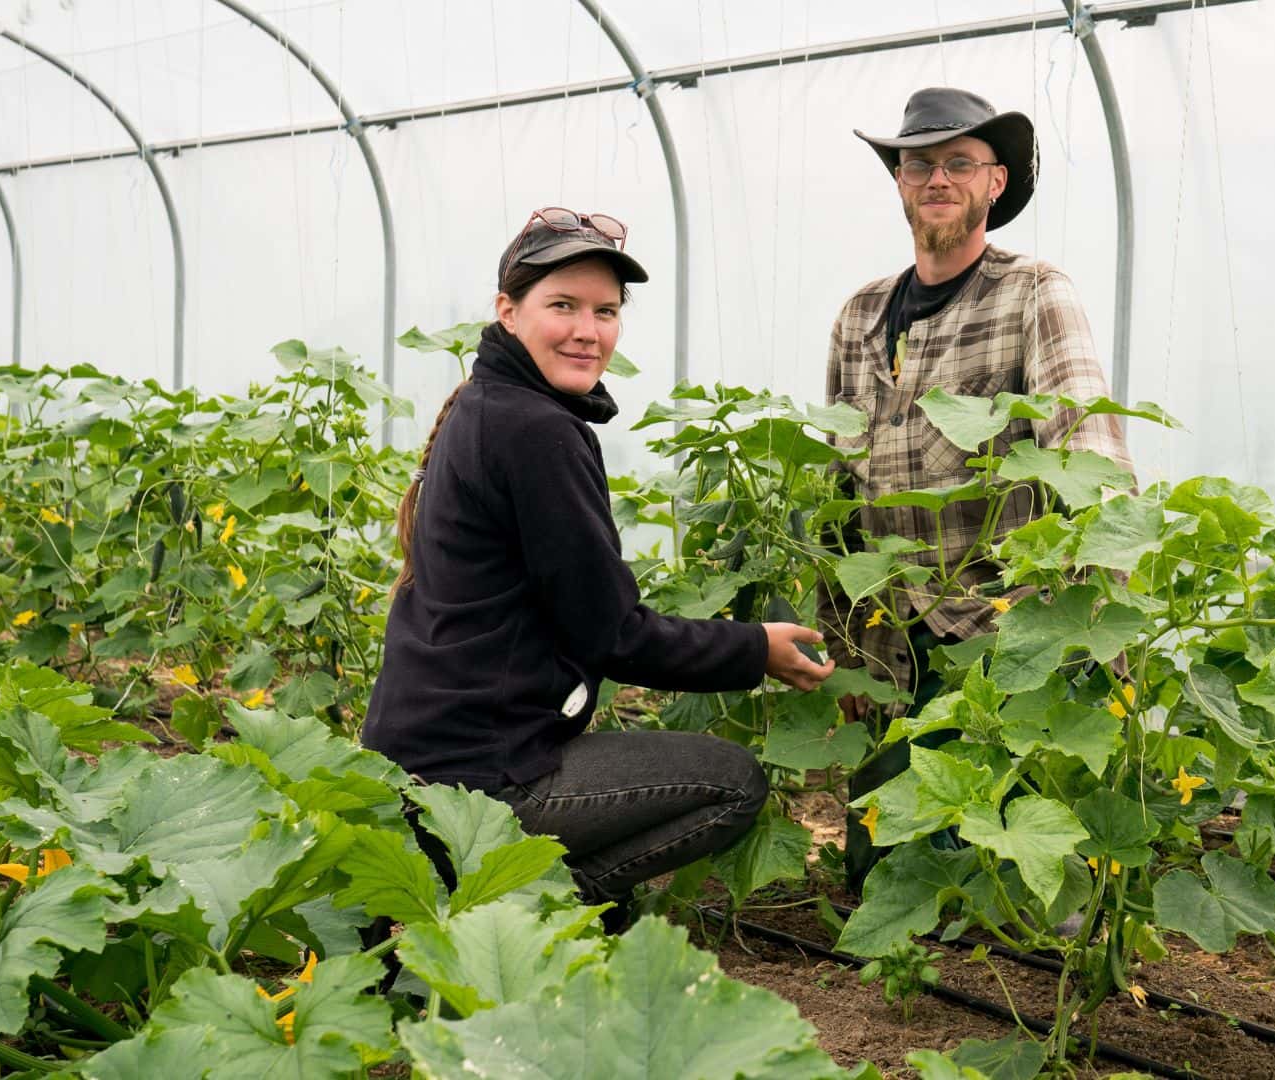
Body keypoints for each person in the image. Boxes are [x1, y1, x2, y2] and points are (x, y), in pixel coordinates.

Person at [361, 208, 835, 925]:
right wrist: (754, 649)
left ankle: (504, 894)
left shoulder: (488, 406)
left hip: (421, 768)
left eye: (606, 311)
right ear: (508, 312)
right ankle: (523, 907)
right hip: (481, 784)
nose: (589, 329)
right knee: (732, 783)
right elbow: (612, 634)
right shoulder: (536, 429)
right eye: (563, 306)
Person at [820, 89, 1134, 893]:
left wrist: (1104, 633)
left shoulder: (1034, 292)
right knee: (884, 884)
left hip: (997, 637)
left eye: (960, 161)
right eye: (918, 162)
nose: (936, 177)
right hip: (890, 640)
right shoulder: (859, 314)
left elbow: (1088, 453)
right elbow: (833, 488)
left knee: (998, 887)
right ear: (897, 180)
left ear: (996, 183)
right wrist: (842, 637)